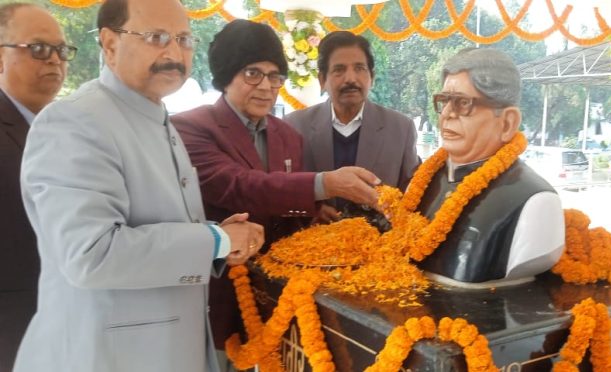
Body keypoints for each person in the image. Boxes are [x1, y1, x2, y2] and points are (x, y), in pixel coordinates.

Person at [13, 0, 264, 371]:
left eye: (183, 39)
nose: (174, 53)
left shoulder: (156, 117)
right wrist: (216, 241)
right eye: (156, 37)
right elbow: (92, 254)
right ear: (110, 44)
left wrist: (215, 243)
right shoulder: (76, 120)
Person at [171, 20, 381, 371]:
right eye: (253, 73)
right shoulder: (191, 128)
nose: (267, 87)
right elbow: (237, 186)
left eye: (275, 76)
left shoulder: (288, 136)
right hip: (218, 298)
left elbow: (282, 214)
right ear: (226, 76)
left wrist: (316, 215)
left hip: (279, 302)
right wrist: (324, 184)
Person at [416, 48, 565, 286]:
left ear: (507, 123)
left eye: (463, 103)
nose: (446, 114)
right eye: (444, 101)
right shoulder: (426, 181)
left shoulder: (535, 202)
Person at [0, 4, 73, 370]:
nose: (55, 61)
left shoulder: (70, 131)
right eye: (39, 49)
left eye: (62, 51)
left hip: (69, 326)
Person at [284, 31, 419, 219]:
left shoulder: (400, 129)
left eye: (359, 68)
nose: (350, 79)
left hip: (379, 243)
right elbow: (280, 192)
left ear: (371, 76)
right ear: (322, 80)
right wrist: (310, 209)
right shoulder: (293, 126)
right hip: (311, 241)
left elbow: (412, 197)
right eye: (339, 70)